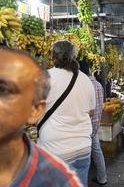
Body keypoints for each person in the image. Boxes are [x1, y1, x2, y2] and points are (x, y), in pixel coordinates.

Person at [0, 47, 81, 186]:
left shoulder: (59, 182)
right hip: (81, 143)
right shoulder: (84, 80)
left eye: (3, 90)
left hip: (56, 145)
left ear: (35, 110)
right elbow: (92, 110)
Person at [37, 41, 96, 186]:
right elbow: (91, 112)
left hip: (56, 150)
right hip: (83, 147)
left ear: (53, 57)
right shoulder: (85, 80)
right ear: (74, 56)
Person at [80, 64, 108, 186]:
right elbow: (100, 105)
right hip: (95, 125)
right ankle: (102, 178)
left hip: (84, 126)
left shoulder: (82, 85)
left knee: (82, 156)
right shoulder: (98, 85)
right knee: (97, 152)